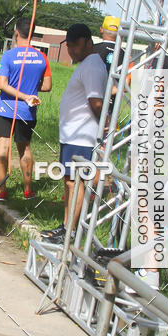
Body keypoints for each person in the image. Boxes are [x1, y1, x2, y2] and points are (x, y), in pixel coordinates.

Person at [41, 23, 108, 243]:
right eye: (68, 46)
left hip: (83, 138)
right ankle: (66, 227)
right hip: (72, 136)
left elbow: (96, 102)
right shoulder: (88, 64)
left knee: (76, 182)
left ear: (88, 42)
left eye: (75, 45)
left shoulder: (93, 66)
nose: (71, 50)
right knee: (70, 182)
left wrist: (104, 130)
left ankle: (69, 231)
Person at [0, 17, 52, 200]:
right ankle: (28, 190)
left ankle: (1, 191)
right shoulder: (42, 57)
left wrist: (22, 95)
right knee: (24, 149)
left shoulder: (8, 55)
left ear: (17, 32)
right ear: (32, 34)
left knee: (3, 147)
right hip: (27, 111)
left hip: (5, 108)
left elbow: (2, 84)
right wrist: (30, 92)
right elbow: (47, 86)